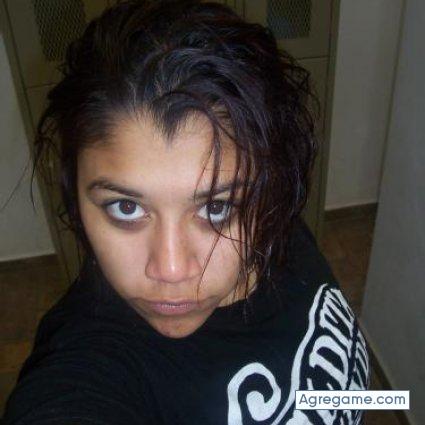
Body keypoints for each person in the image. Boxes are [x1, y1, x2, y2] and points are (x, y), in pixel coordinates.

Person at [4, 1, 370, 423]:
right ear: (75, 193)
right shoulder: (90, 362)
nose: (172, 271)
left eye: (216, 207)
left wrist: (388, 401)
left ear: (272, 185)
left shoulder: (274, 223)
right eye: (126, 208)